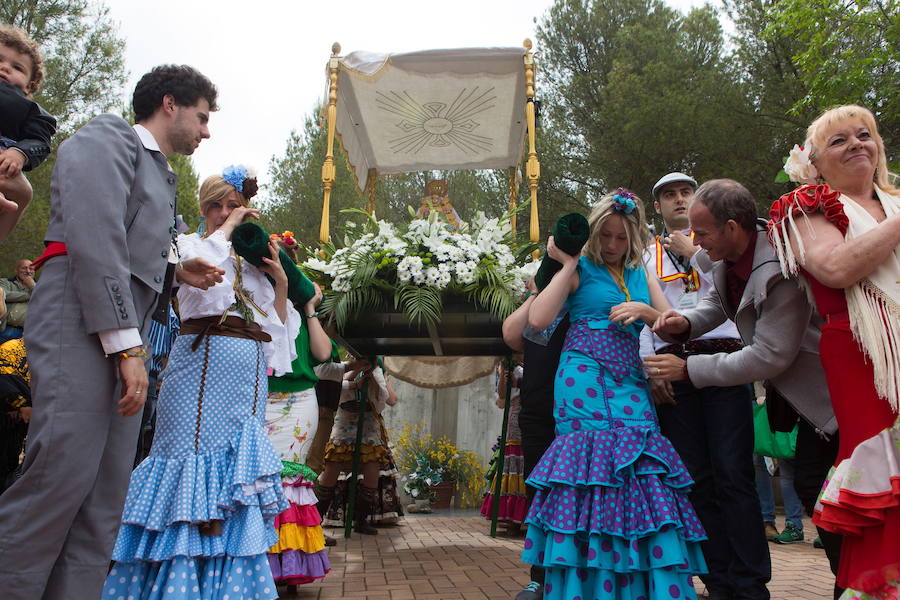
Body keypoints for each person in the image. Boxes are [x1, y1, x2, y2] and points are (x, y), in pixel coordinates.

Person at [0, 64, 221, 600]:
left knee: (104, 499)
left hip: (122, 334)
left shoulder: (159, 172)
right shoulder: (107, 136)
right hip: (81, 320)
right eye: (202, 116)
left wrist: (175, 269)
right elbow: (96, 239)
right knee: (60, 477)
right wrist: (129, 348)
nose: (206, 130)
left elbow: (134, 239)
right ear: (169, 103)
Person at [103, 168, 300, 599]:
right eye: (219, 205)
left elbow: (278, 344)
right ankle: (177, 586)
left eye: (234, 206)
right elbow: (200, 270)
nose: (227, 213)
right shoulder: (188, 246)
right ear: (205, 208)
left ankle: (228, 588)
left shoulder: (254, 268)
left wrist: (280, 281)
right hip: (197, 373)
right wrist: (229, 229)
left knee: (235, 481)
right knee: (190, 467)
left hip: (247, 379)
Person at [647, 179, 842, 597]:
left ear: (733, 227)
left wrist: (687, 369)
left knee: (756, 480)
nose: (696, 242)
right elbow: (717, 303)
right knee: (705, 480)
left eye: (703, 233)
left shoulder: (778, 268)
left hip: (826, 394)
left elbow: (770, 356)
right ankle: (722, 582)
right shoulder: (725, 258)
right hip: (716, 373)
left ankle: (756, 585)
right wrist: (685, 324)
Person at [523, 188, 707, 599]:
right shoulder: (581, 267)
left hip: (630, 380)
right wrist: (567, 263)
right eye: (604, 235)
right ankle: (586, 585)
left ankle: (638, 583)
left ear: (634, 235)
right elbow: (537, 319)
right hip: (582, 380)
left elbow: (672, 321)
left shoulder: (643, 271)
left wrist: (646, 313)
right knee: (589, 474)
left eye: (621, 237)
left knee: (641, 470)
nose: (611, 245)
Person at [767, 104, 900, 599]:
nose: (856, 144)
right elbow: (837, 268)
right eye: (839, 141)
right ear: (815, 162)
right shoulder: (805, 206)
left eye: (864, 135)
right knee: (884, 475)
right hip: (863, 355)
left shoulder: (895, 202)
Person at [640, 172, 766, 598]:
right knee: (696, 478)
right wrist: (648, 367)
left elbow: (734, 298)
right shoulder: (646, 254)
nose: (678, 200)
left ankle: (750, 584)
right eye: (668, 196)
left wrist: (696, 251)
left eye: (684, 193)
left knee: (734, 474)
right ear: (656, 207)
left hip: (727, 356)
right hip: (674, 362)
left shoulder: (724, 249)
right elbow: (643, 317)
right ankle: (717, 580)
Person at [264, 232, 334, 591]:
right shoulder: (261, 301)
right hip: (261, 398)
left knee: (288, 480)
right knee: (260, 478)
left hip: (300, 403)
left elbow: (323, 354)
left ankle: (288, 566)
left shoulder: (303, 311)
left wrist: (309, 308)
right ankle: (263, 563)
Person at [501, 276, 569, 600]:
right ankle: (539, 577)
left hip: (574, 416)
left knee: (569, 499)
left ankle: (569, 576)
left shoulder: (580, 304)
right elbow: (511, 336)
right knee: (538, 496)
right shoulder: (539, 306)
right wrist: (535, 293)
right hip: (536, 414)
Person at [316, 360, 390, 536]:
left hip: (368, 427)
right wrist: (354, 379)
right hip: (343, 426)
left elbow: (383, 400)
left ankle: (361, 521)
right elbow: (332, 387)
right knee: (330, 475)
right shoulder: (342, 366)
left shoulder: (378, 370)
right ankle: (315, 524)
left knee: (372, 473)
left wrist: (371, 377)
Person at [0, 24, 56, 241]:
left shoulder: (31, 110)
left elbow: (40, 140)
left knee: (15, 194)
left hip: (5, 156)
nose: (5, 68)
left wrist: (19, 153)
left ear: (29, 86)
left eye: (17, 67)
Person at [480, 359, 527, 530]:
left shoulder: (533, 358)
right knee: (515, 458)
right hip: (516, 414)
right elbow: (501, 396)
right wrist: (503, 373)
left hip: (535, 411)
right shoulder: (507, 364)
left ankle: (522, 515)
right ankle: (512, 514)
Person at [0, 337, 29, 493]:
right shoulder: (11, 348)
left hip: (21, 422)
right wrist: (21, 405)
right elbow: (3, 380)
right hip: (7, 413)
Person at [0, 259, 35, 343]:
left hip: (28, 334)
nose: (28, 271)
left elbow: (43, 299)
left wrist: (32, 286)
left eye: (31, 268)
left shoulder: (40, 286)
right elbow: (4, 294)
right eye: (24, 268)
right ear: (16, 270)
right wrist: (29, 296)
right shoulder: (6, 282)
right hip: (5, 329)